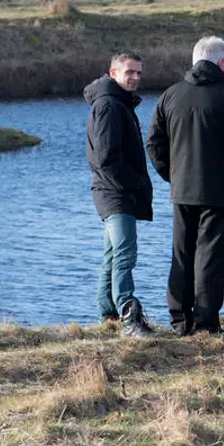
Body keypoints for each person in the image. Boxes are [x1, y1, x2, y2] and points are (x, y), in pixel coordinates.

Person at [146, 36, 224, 335]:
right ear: (221, 63)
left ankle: (180, 321)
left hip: (182, 190)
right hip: (221, 192)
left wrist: (173, 175)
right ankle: (206, 322)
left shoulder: (170, 96)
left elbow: (154, 143)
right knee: (211, 255)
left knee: (181, 252)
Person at [85, 51, 155, 338]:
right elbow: (105, 158)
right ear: (113, 73)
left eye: (139, 72)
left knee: (113, 254)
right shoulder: (109, 106)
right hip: (115, 192)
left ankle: (108, 315)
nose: (135, 77)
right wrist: (134, 183)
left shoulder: (118, 103)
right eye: (129, 72)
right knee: (125, 254)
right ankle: (128, 317)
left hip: (114, 190)